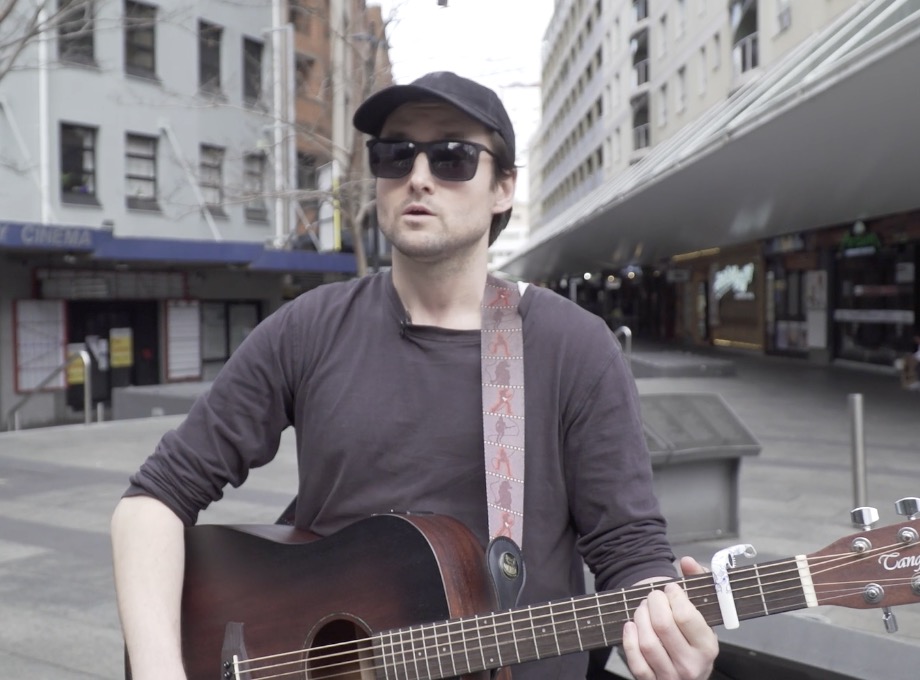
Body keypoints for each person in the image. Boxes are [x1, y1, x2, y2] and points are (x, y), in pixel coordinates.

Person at [111, 71, 718, 680]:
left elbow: (629, 550)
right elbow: (154, 500)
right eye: (395, 153)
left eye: (453, 155)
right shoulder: (308, 328)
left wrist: (663, 620)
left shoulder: (576, 347)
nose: (418, 176)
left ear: (504, 187)